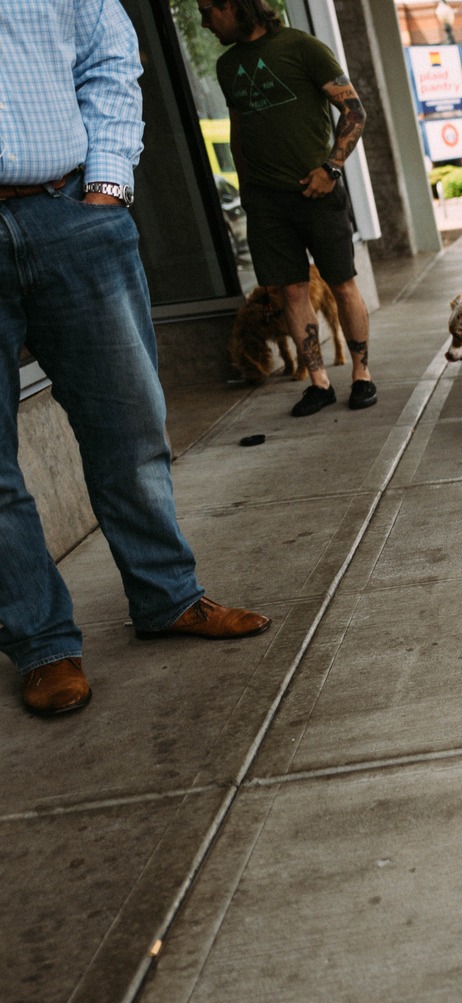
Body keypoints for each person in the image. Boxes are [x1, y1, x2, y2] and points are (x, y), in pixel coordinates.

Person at [1, 0, 271, 718]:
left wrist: (109, 182)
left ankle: (167, 596)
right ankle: (43, 644)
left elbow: (110, 59)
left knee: (131, 423)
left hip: (70, 210)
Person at [202, 0, 378, 418]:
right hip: (265, 203)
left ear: (233, 5)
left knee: (341, 285)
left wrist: (331, 168)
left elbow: (354, 110)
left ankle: (361, 374)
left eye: (208, 11)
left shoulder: (301, 47)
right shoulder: (228, 67)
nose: (205, 22)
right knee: (290, 291)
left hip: (316, 191)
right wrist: (247, 192)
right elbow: (238, 131)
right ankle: (317, 382)